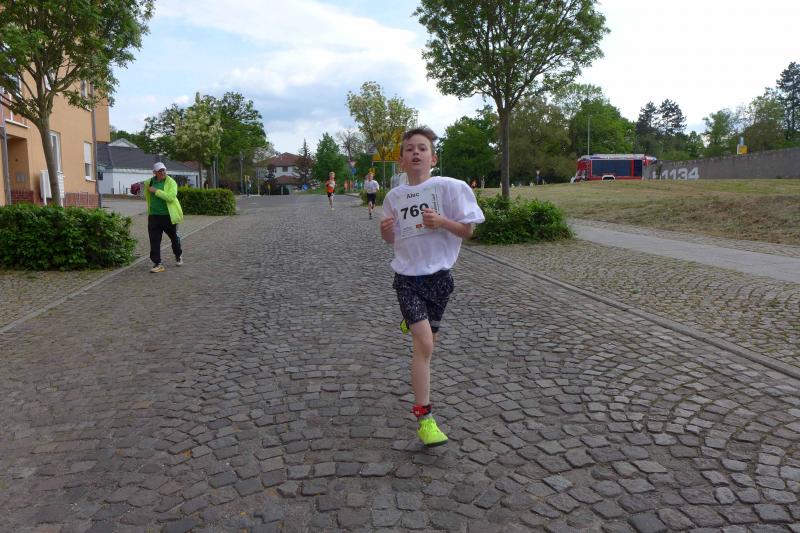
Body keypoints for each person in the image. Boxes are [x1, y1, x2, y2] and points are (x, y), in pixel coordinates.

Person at [380, 126, 485, 447]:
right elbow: (391, 240)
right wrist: (386, 230)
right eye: (409, 149)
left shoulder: (450, 188)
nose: (416, 153)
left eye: (422, 148)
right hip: (407, 279)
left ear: (433, 158)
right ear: (401, 160)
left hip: (440, 280)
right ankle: (425, 418)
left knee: (427, 344)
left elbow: (468, 231)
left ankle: (413, 321)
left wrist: (442, 222)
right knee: (424, 344)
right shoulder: (394, 197)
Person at [145, 162, 184, 273]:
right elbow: (144, 191)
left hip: (168, 216)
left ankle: (178, 255)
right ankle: (157, 263)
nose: (162, 172)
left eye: (163, 170)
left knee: (174, 238)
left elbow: (171, 197)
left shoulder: (171, 182)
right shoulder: (149, 182)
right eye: (160, 171)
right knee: (154, 240)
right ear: (154, 172)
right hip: (154, 216)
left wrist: (156, 191)